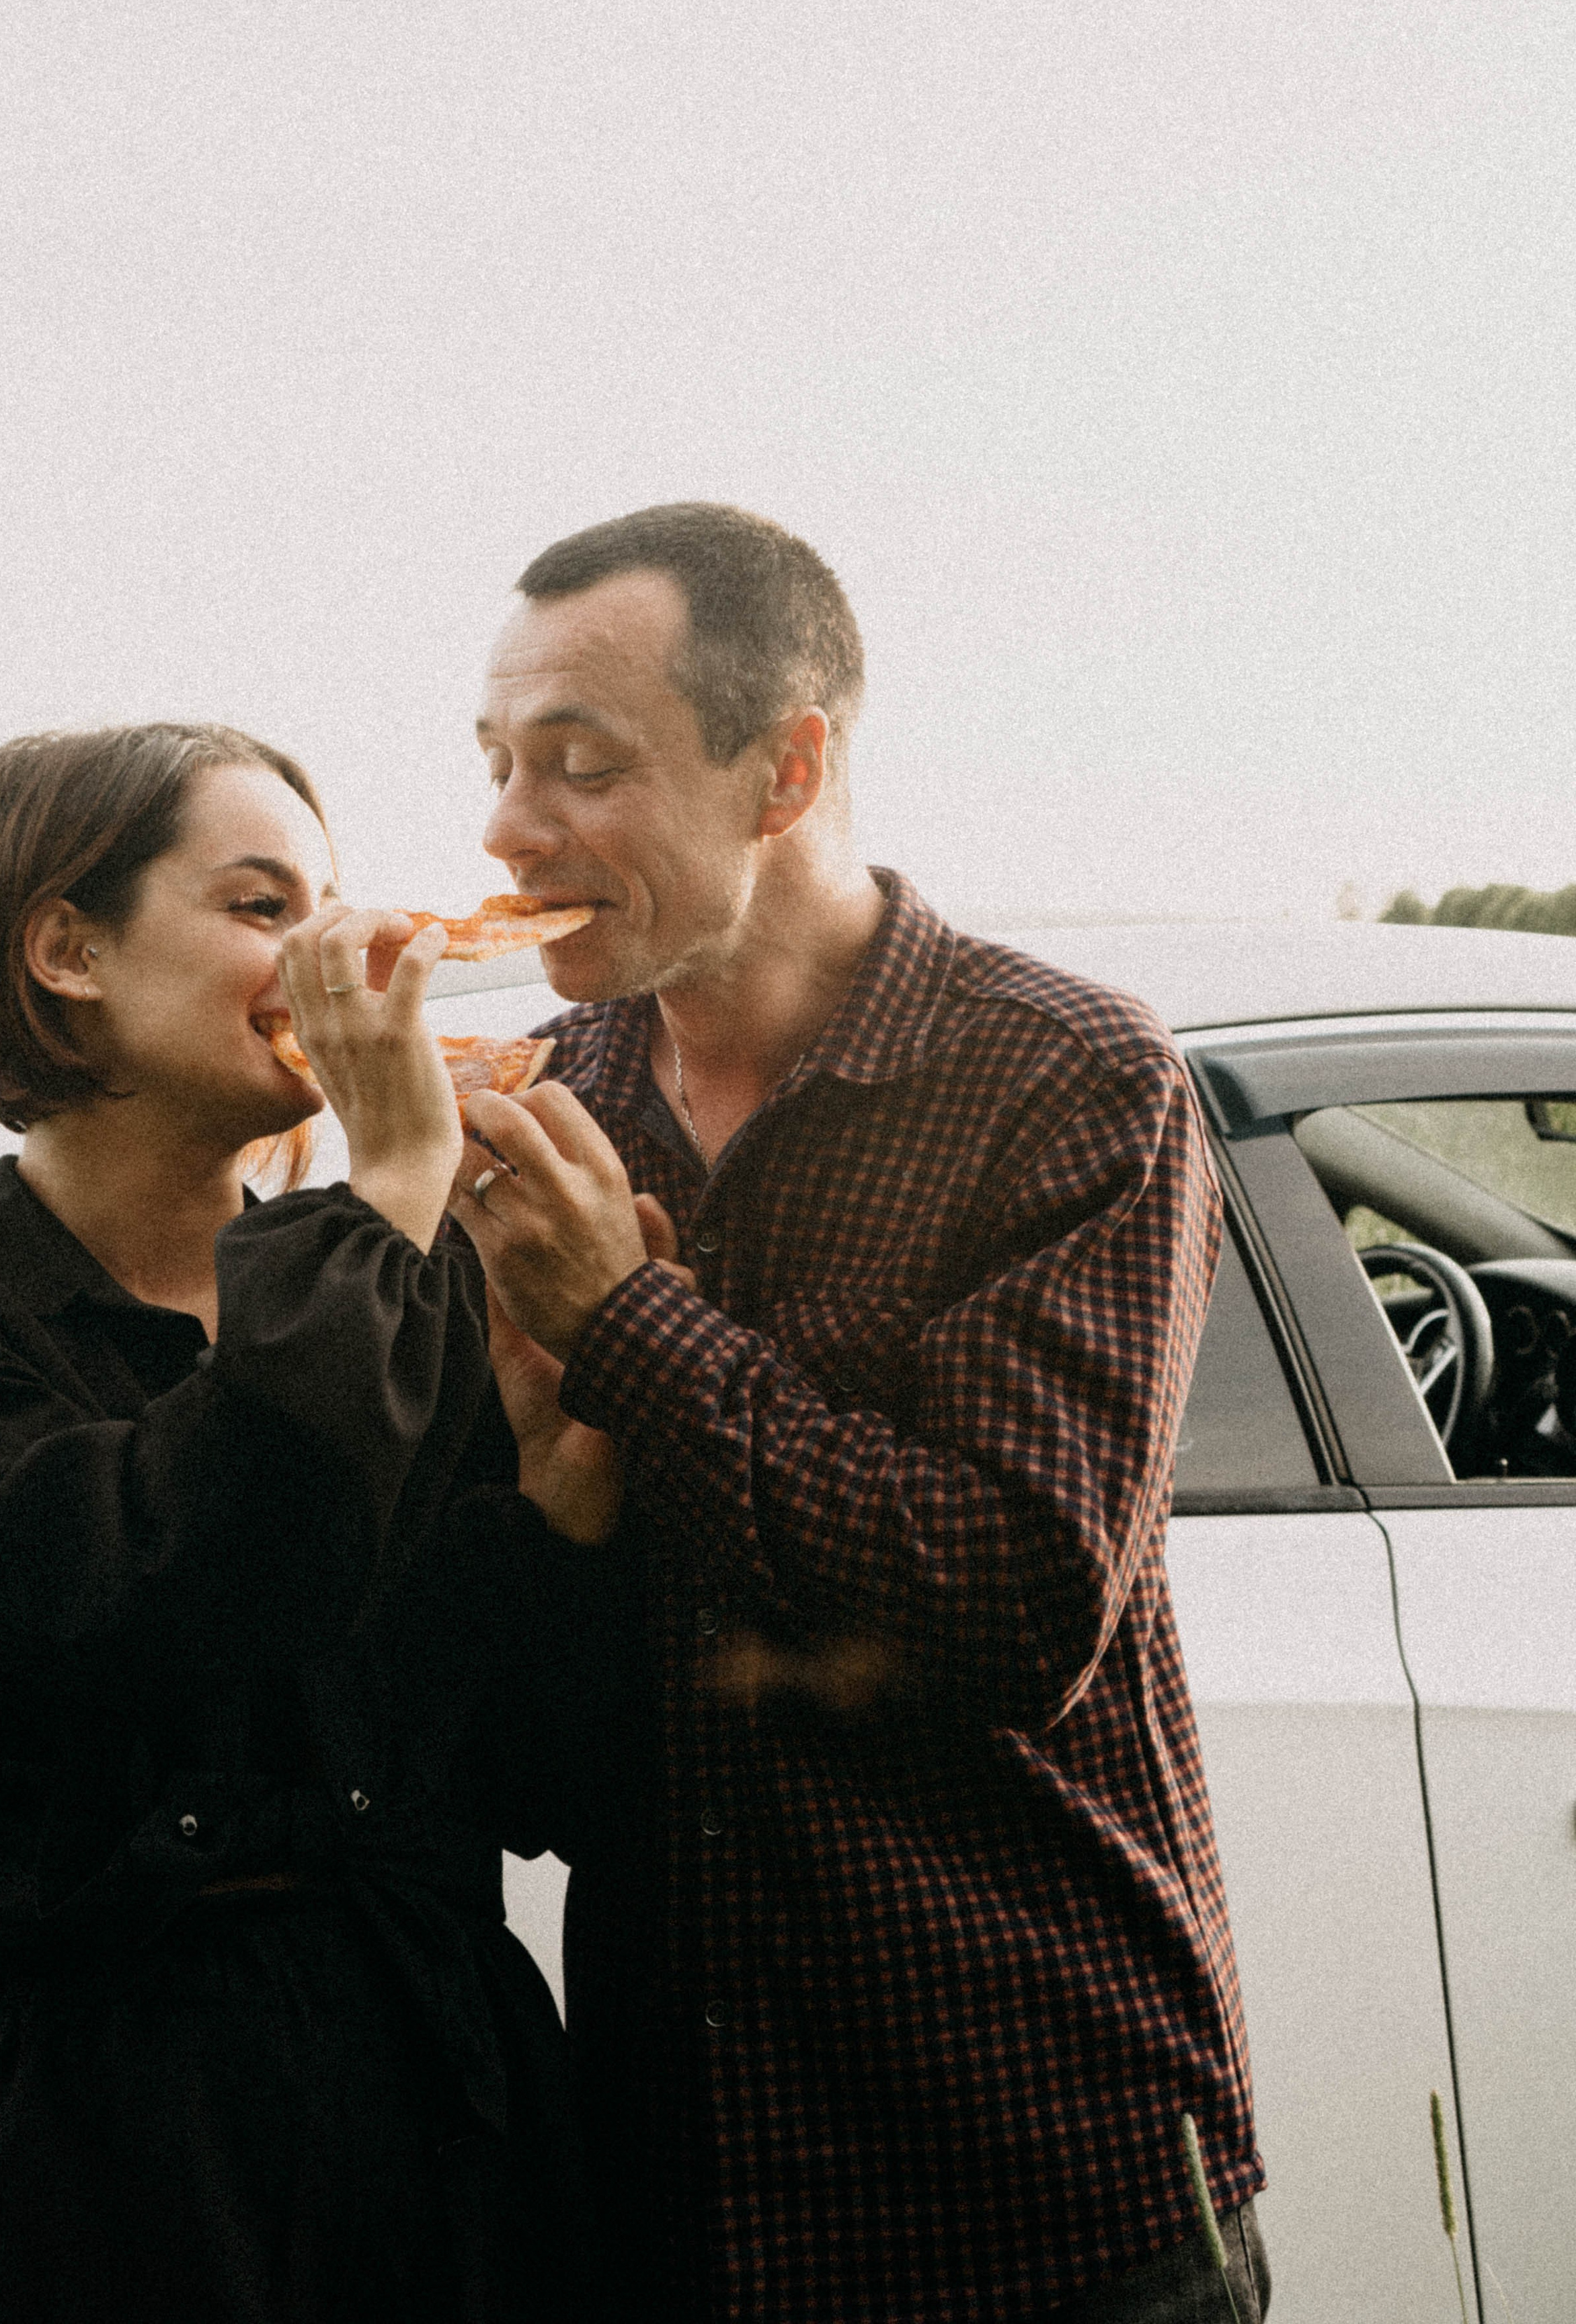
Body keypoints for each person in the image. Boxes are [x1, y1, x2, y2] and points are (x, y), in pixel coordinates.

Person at [448, 504, 1269, 2321]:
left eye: (581, 767)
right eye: (498, 766)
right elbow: (506, 1751)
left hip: (1029, 2184)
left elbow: (1013, 1599)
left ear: (787, 766)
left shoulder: (1065, 1073)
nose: (509, 829)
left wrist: (624, 1320)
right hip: (679, 2194)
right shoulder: (540, 1110)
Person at [0, 722, 602, 2323]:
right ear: (67, 948)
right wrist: (397, 1165)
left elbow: (535, 1766)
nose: (347, 956)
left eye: (334, 905)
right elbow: (182, 1584)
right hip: (90, 2153)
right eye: (267, 908)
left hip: (438, 2116)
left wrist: (561, 1476)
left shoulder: (417, 1301)